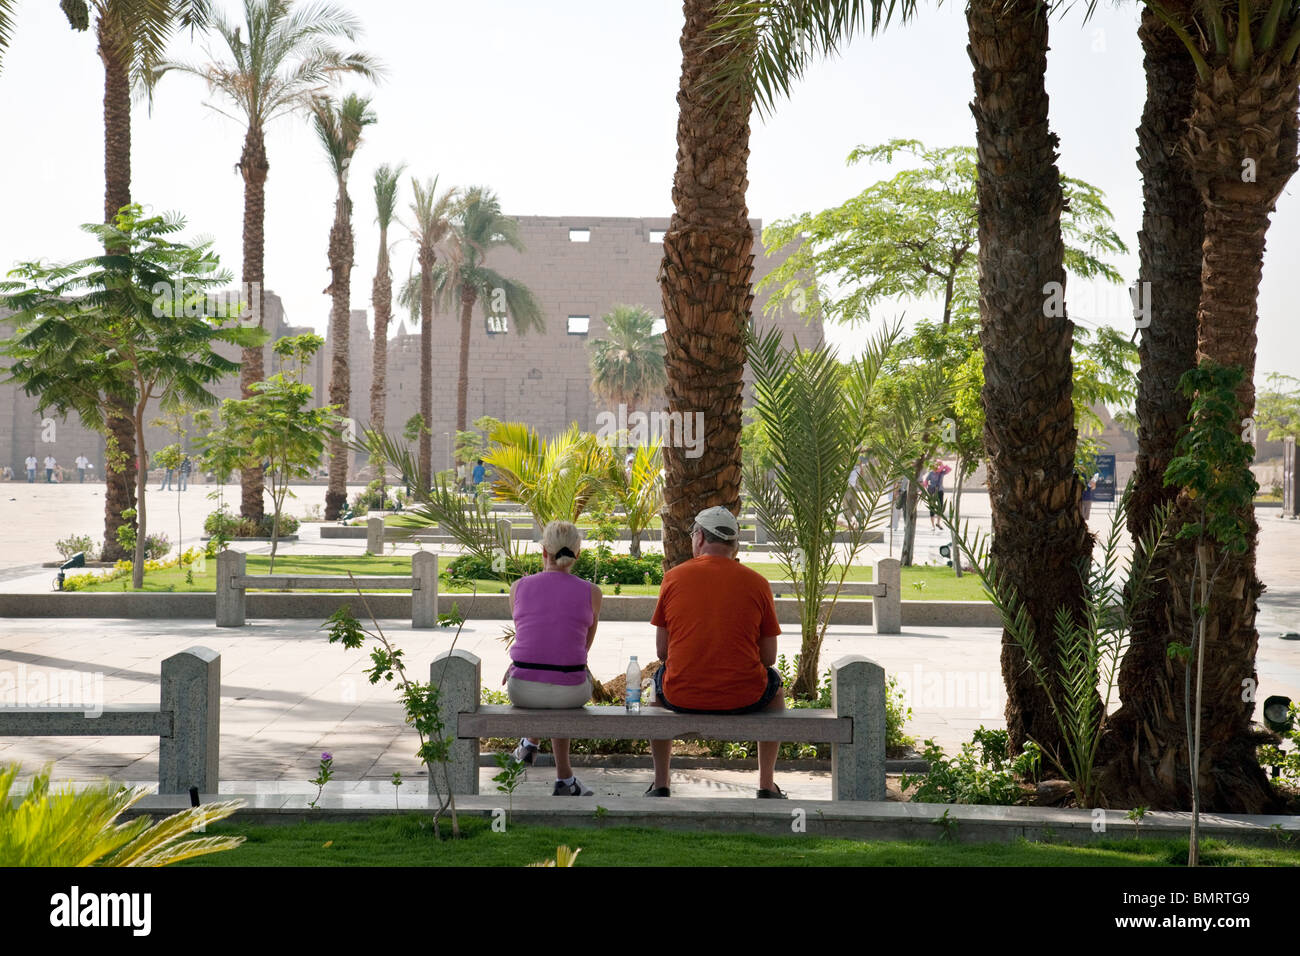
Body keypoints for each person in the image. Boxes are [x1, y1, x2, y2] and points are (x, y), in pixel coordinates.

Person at [646, 506, 786, 798]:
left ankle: (661, 784)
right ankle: (766, 785)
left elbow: (662, 651)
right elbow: (769, 658)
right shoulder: (758, 583)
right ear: (734, 545)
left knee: (655, 692)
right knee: (777, 691)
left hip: (681, 695)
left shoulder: (673, 578)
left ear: (698, 538)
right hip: (745, 697)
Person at [504, 521, 602, 796]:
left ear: (543, 551)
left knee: (550, 675)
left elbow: (530, 637)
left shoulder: (518, 587)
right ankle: (563, 778)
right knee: (562, 676)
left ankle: (531, 744)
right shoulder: (592, 592)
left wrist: (515, 665)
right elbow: (582, 647)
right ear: (577, 555)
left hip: (521, 689)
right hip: (571, 692)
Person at [924, 460, 951, 530]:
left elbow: (949, 469)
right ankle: (933, 526)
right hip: (932, 492)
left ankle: (938, 523)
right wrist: (925, 489)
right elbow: (926, 481)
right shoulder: (930, 473)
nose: (937, 467)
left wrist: (943, 465)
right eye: (936, 465)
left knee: (940, 507)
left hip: (940, 491)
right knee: (932, 507)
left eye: (938, 465)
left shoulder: (942, 473)